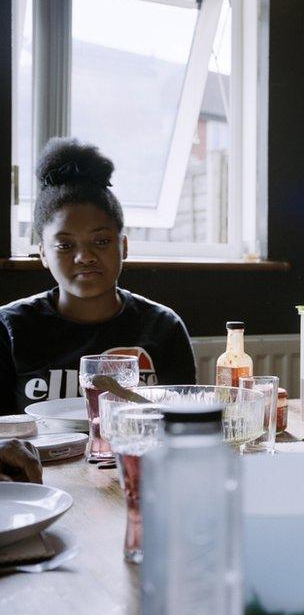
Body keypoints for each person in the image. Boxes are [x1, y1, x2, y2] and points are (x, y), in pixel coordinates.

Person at [0, 138, 197, 416]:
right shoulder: (10, 327)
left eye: (101, 241)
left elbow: (181, 423)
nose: (85, 257)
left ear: (124, 246)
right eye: (65, 245)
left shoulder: (162, 327)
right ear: (43, 253)